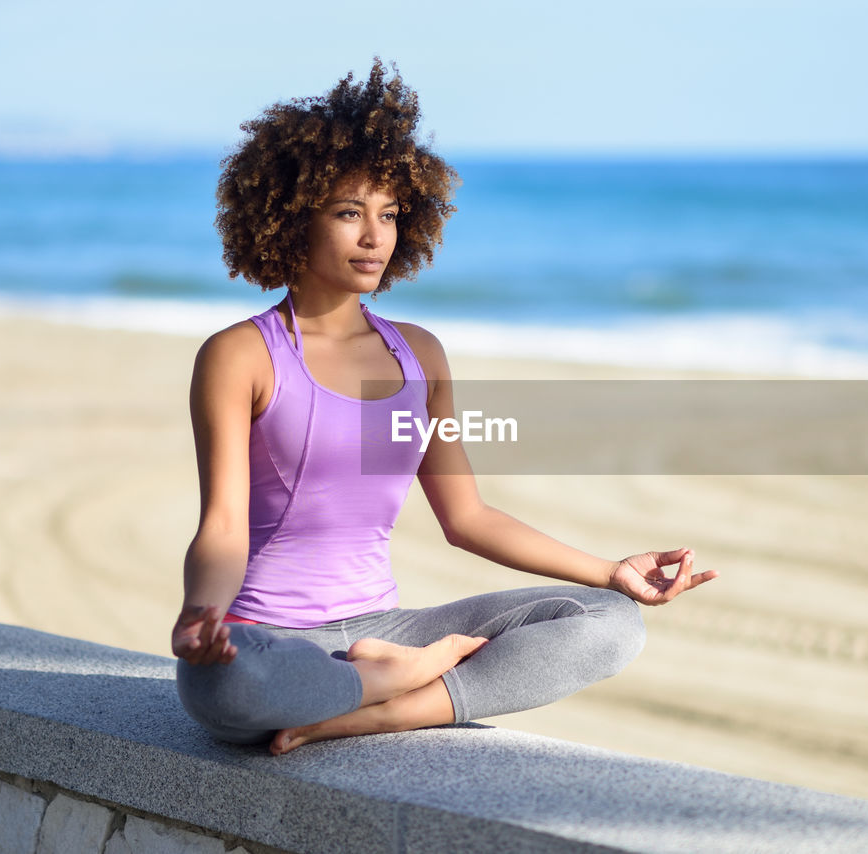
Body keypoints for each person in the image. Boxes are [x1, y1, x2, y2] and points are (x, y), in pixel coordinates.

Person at [172, 60, 717, 756]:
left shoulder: (419, 356)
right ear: (290, 217)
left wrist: (611, 572)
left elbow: (467, 518)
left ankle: (378, 706)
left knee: (611, 623)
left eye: (390, 215)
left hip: (385, 627)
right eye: (348, 213)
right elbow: (222, 524)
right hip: (273, 641)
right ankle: (387, 683)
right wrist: (202, 615)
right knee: (222, 692)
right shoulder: (241, 355)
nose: (375, 236)